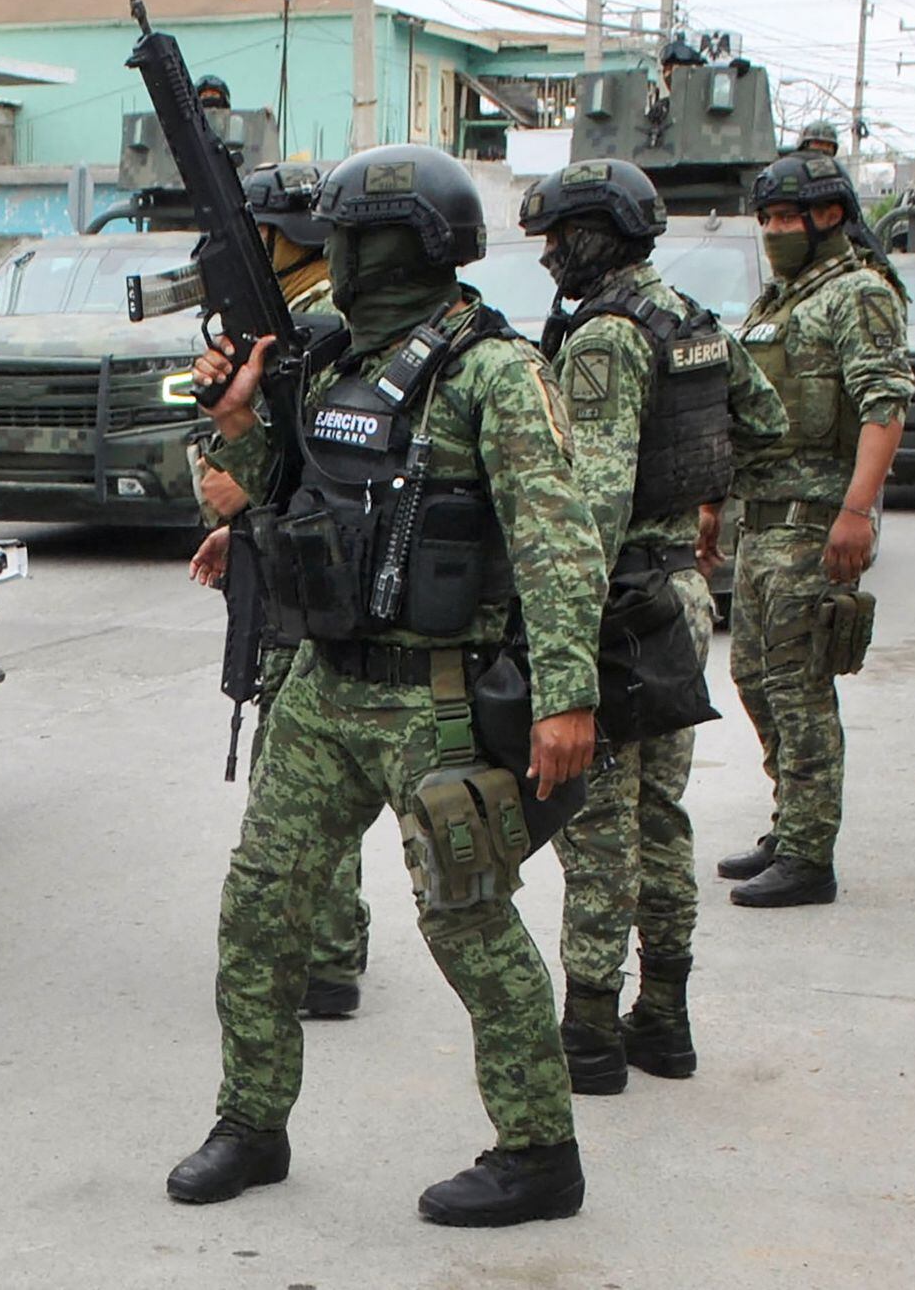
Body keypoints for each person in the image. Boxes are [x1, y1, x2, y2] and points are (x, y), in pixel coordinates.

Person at [166, 144, 608, 1226]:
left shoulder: (494, 373)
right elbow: (280, 494)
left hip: (439, 697)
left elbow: (560, 543)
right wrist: (239, 421)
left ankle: (540, 1151)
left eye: (348, 237)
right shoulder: (320, 362)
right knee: (262, 908)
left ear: (395, 245)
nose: (333, 255)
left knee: (467, 924)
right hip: (325, 689)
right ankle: (250, 1123)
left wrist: (566, 695)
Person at [520, 158, 786, 1092]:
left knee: (597, 825)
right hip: (678, 597)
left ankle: (590, 1034)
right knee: (660, 820)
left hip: (618, 604)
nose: (549, 255)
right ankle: (665, 1019)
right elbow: (764, 422)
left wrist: (557, 643)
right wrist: (703, 511)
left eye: (558, 237)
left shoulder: (604, 338)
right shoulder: (694, 321)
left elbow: (589, 509)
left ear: (596, 236)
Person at [188, 159, 372, 1020]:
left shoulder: (324, 319)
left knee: (306, 771)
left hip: (317, 567)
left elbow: (327, 462)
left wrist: (245, 486)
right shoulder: (300, 317)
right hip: (293, 550)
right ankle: (329, 943)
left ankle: (328, 952)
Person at [709, 153, 914, 907]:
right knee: (754, 678)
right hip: (761, 522)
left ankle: (809, 852)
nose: (773, 231)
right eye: (765, 219)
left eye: (787, 219)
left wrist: (855, 512)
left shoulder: (858, 295)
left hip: (813, 522)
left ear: (829, 218)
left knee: (799, 688)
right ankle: (790, 819)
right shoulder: (781, 301)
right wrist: (714, 509)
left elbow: (884, 405)